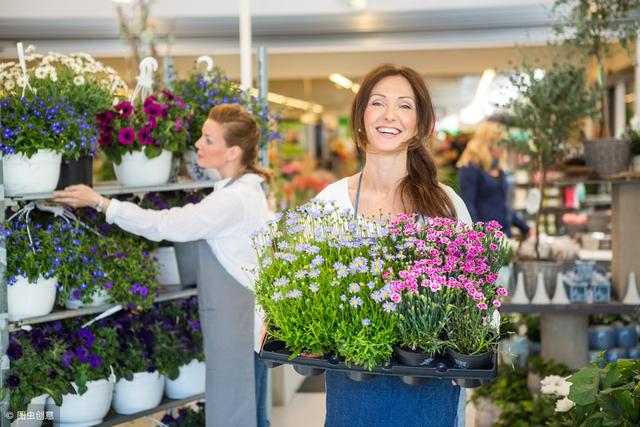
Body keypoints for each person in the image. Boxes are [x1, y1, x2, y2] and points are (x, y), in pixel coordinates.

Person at [53, 104, 272, 427]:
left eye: (209, 139)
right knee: (248, 410)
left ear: (233, 152)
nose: (198, 143)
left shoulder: (232, 199)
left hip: (237, 322)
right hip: (240, 318)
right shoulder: (242, 191)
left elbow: (167, 225)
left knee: (236, 414)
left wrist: (101, 203)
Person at [316, 64, 472, 427]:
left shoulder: (445, 204)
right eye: (378, 103)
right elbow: (288, 281)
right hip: (353, 384)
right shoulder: (331, 201)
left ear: (419, 124)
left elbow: (477, 290)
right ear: (361, 117)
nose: (390, 115)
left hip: (427, 386)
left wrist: (472, 347)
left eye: (404, 106)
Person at [456, 120, 530, 238]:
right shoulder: (470, 168)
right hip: (486, 240)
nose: (503, 147)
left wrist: (525, 228)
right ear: (488, 143)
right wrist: (480, 236)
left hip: (505, 236)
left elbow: (503, 206)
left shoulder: (498, 168)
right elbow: (467, 207)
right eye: (500, 143)